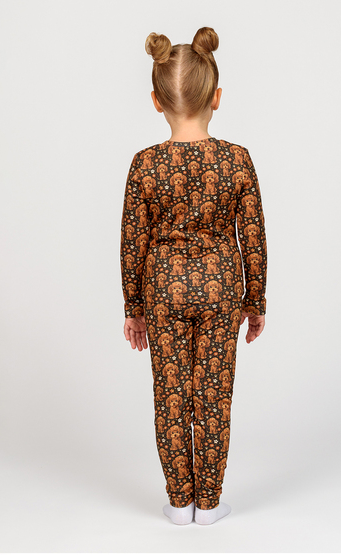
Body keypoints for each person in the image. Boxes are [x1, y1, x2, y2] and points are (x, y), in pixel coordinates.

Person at [120, 27, 267, 526]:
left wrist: (134, 307)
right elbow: (254, 237)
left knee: (171, 393)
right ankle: (209, 503)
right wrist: (255, 301)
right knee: (213, 394)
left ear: (156, 101)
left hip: (163, 289)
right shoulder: (237, 160)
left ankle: (179, 501)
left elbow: (132, 242)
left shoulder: (144, 165)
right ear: (216, 98)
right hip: (222, 289)